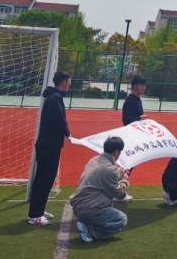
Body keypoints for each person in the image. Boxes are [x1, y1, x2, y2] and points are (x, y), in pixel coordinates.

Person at [28, 70, 71, 226]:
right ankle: (35, 215)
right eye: (69, 81)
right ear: (64, 81)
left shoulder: (53, 96)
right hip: (49, 144)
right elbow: (57, 119)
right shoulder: (55, 97)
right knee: (44, 179)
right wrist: (67, 133)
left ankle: (38, 210)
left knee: (43, 178)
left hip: (48, 143)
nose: (70, 84)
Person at [70, 136, 129, 243]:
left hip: (78, 208)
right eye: (120, 152)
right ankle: (91, 232)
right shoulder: (109, 169)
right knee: (121, 219)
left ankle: (87, 224)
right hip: (89, 211)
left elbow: (107, 175)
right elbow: (116, 193)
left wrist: (121, 172)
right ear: (116, 152)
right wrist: (125, 181)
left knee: (105, 200)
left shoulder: (94, 160)